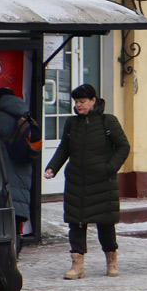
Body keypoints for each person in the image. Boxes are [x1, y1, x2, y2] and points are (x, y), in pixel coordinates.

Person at [44, 83, 130, 279]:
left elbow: (123, 147)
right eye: (76, 102)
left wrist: (109, 168)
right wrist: (52, 167)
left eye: (82, 101)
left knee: (105, 224)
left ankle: (111, 261)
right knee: (76, 223)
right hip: (76, 182)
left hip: (102, 182)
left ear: (93, 101)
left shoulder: (108, 121)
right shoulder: (71, 123)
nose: (78, 105)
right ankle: (77, 265)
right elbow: (64, 149)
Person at [0, 87, 36, 252]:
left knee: (0, 221)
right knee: (16, 219)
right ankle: (15, 252)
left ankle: (6, 257)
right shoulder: (25, 116)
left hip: (3, 176)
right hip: (23, 175)